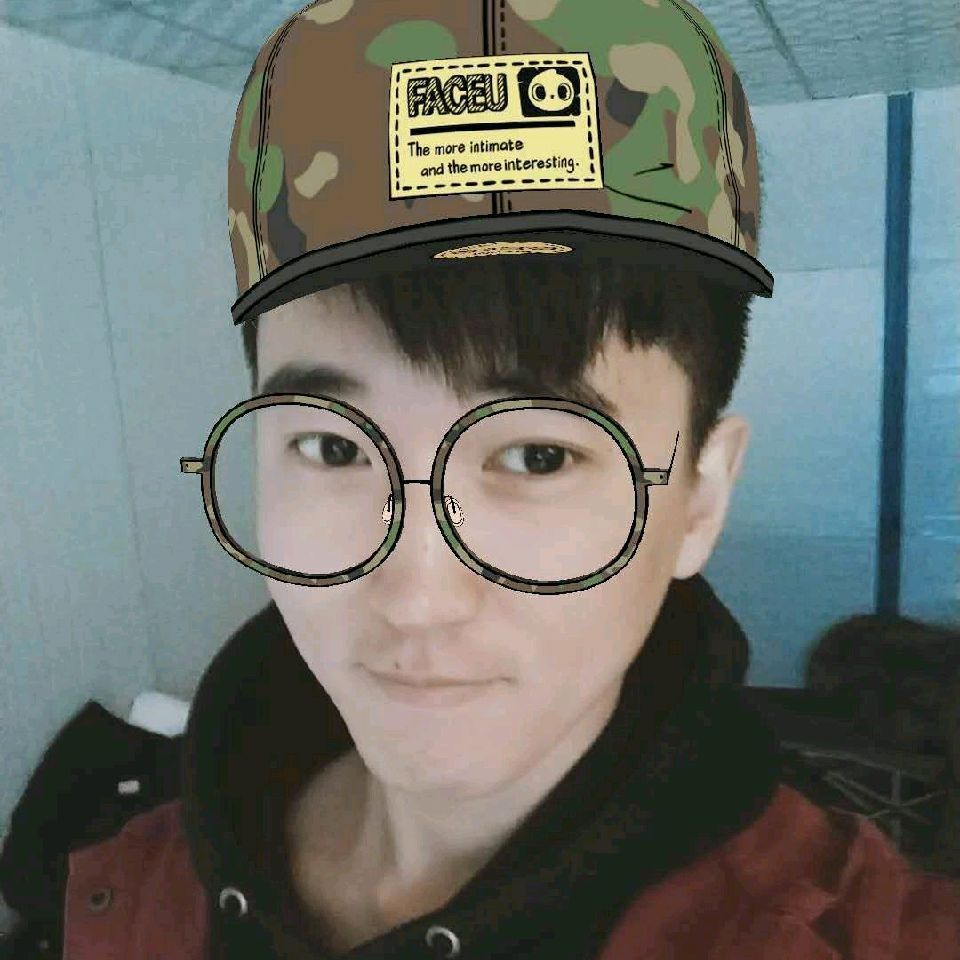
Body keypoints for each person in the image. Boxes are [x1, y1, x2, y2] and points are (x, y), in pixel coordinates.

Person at [2, 2, 958, 958]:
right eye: (334, 448)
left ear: (699, 499)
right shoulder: (132, 890)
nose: (416, 599)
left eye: (539, 456)